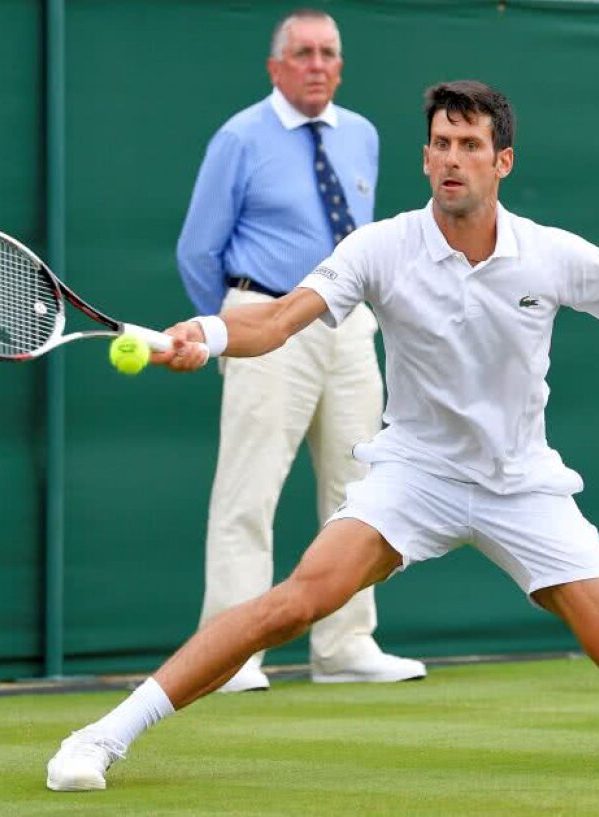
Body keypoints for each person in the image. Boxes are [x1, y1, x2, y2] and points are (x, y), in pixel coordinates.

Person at [46, 80, 599, 792]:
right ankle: (103, 734)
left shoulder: (553, 254)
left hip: (521, 481)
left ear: (502, 161)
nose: (452, 158)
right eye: (441, 143)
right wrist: (211, 333)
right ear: (425, 157)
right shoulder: (380, 247)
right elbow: (279, 319)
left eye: (470, 144)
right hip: (415, 474)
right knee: (296, 600)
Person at [175, 8, 425, 692]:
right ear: (275, 66)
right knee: (249, 489)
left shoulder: (363, 135)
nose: (317, 65)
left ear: (340, 66)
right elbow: (198, 250)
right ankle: (228, 653)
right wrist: (230, 329)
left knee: (360, 488)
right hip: (263, 318)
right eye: (303, 53)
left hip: (348, 324)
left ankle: (344, 645)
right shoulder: (240, 137)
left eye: (328, 53)